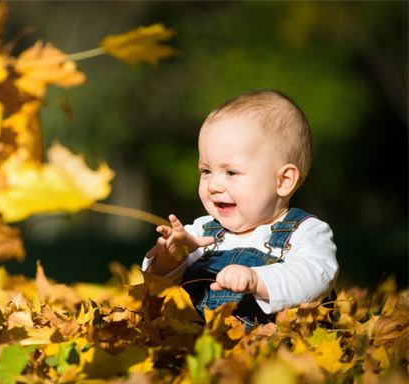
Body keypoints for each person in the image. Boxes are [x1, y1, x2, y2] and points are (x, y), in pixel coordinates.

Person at [143, 89, 339, 324]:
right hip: (198, 343)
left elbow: (317, 276)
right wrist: (169, 258)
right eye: (206, 171)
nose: (214, 184)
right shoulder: (200, 232)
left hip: (272, 349)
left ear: (283, 181)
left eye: (231, 172)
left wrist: (257, 280)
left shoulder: (305, 231)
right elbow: (155, 283)